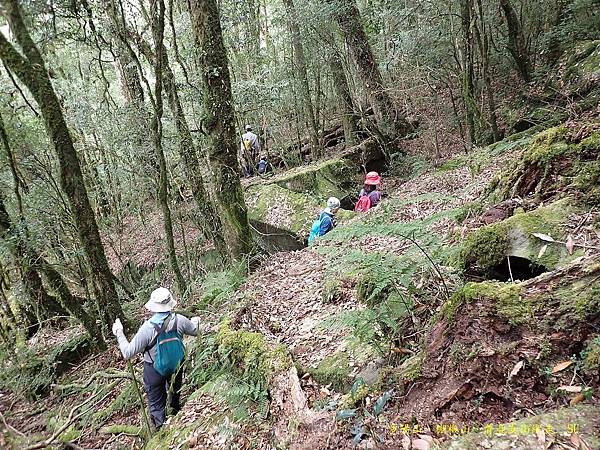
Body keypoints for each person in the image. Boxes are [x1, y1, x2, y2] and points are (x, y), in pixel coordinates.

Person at [112, 287, 201, 430]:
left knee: (156, 404)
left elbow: (127, 352)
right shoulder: (180, 320)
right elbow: (195, 331)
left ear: (154, 306)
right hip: (176, 366)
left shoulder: (148, 328)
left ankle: (162, 429)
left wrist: (119, 332)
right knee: (175, 393)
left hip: (154, 371)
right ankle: (176, 415)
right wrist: (196, 321)